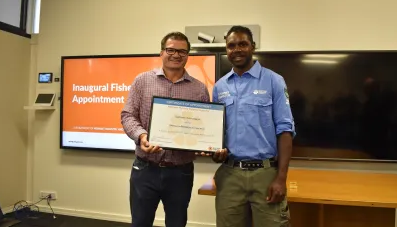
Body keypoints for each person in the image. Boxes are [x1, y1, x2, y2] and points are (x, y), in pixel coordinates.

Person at [121, 31, 210, 227]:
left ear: (188, 55)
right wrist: (142, 136)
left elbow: (204, 126)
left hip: (181, 172)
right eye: (171, 50)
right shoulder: (142, 81)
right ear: (161, 52)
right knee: (140, 223)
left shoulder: (199, 89)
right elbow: (127, 115)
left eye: (182, 51)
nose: (176, 55)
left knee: (177, 223)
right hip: (145, 169)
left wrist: (207, 143)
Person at [212, 25, 295, 227]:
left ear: (253, 47)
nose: (237, 49)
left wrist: (281, 179)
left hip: (265, 175)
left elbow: (285, 130)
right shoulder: (219, 87)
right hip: (230, 175)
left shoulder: (274, 80)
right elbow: (216, 132)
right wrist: (216, 152)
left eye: (243, 44)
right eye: (231, 45)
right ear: (226, 49)